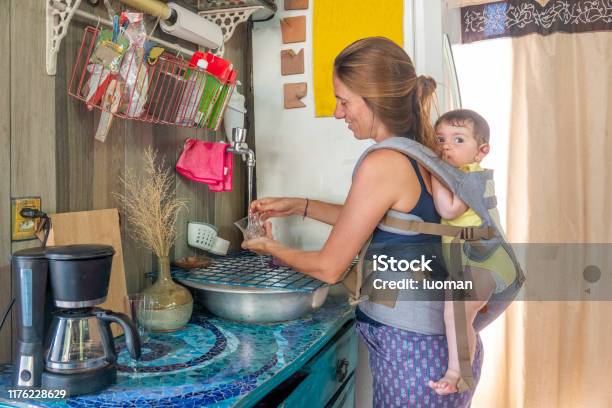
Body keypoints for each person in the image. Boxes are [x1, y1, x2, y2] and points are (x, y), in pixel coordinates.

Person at [242, 37, 483, 407]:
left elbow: (328, 267)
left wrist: (268, 247)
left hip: (416, 354)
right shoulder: (419, 150)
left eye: (344, 100)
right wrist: (300, 206)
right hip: (436, 348)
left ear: (374, 99)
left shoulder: (382, 162)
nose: (339, 113)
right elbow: (389, 221)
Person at [427, 109, 516, 395]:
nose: (446, 146)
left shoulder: (471, 178)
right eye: (440, 139)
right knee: (458, 317)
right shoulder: (460, 174)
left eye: (458, 139)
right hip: (474, 261)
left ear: (481, 151)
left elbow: (449, 209)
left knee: (456, 312)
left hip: (489, 261)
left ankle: (457, 373)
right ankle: (461, 372)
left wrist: (435, 176)